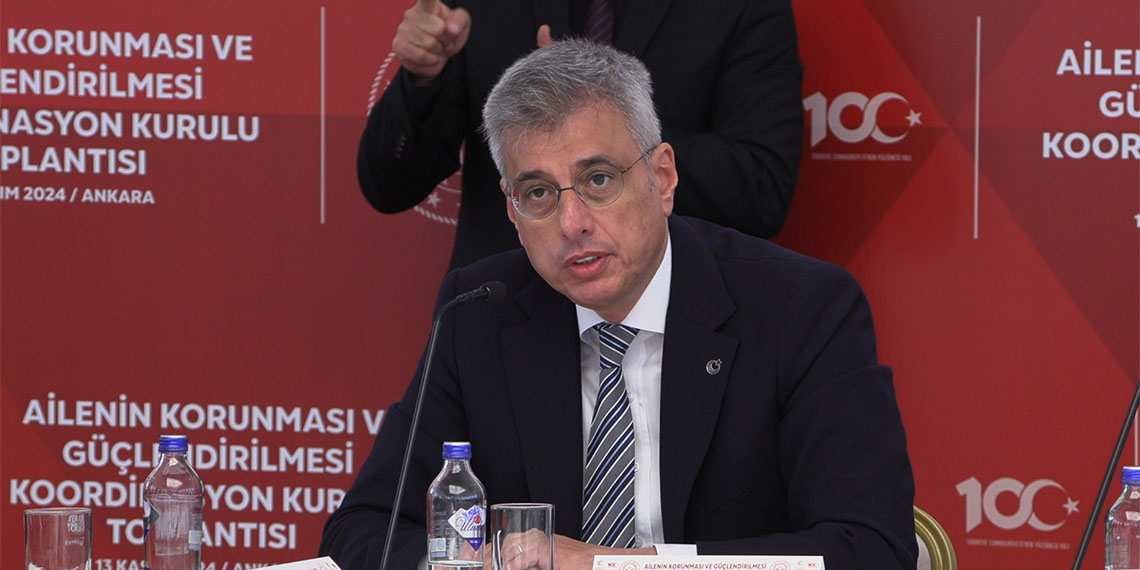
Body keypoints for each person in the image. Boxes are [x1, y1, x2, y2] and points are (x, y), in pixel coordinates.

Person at [321, 40, 916, 570]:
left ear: (663, 177)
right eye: (538, 193)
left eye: (599, 180)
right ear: (511, 209)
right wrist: (474, 564)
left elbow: (869, 547)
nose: (572, 223)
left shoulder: (801, 308)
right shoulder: (478, 312)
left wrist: (615, 566)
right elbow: (364, 528)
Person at [361, 0, 804, 268]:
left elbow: (759, 188)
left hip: (678, 328)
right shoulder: (474, 9)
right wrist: (422, 78)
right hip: (502, 327)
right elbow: (389, 185)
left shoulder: (743, 7)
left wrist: (607, 123)